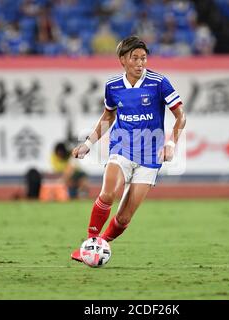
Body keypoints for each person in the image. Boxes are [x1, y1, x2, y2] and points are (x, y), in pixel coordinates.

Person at [70, 36, 186, 262]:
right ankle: (90, 244)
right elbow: (108, 116)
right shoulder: (113, 86)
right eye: (135, 58)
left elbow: (180, 116)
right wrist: (87, 144)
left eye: (144, 58)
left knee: (123, 219)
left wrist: (171, 143)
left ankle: (100, 244)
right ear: (123, 60)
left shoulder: (159, 82)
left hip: (150, 156)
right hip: (121, 148)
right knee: (108, 193)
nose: (140, 62)